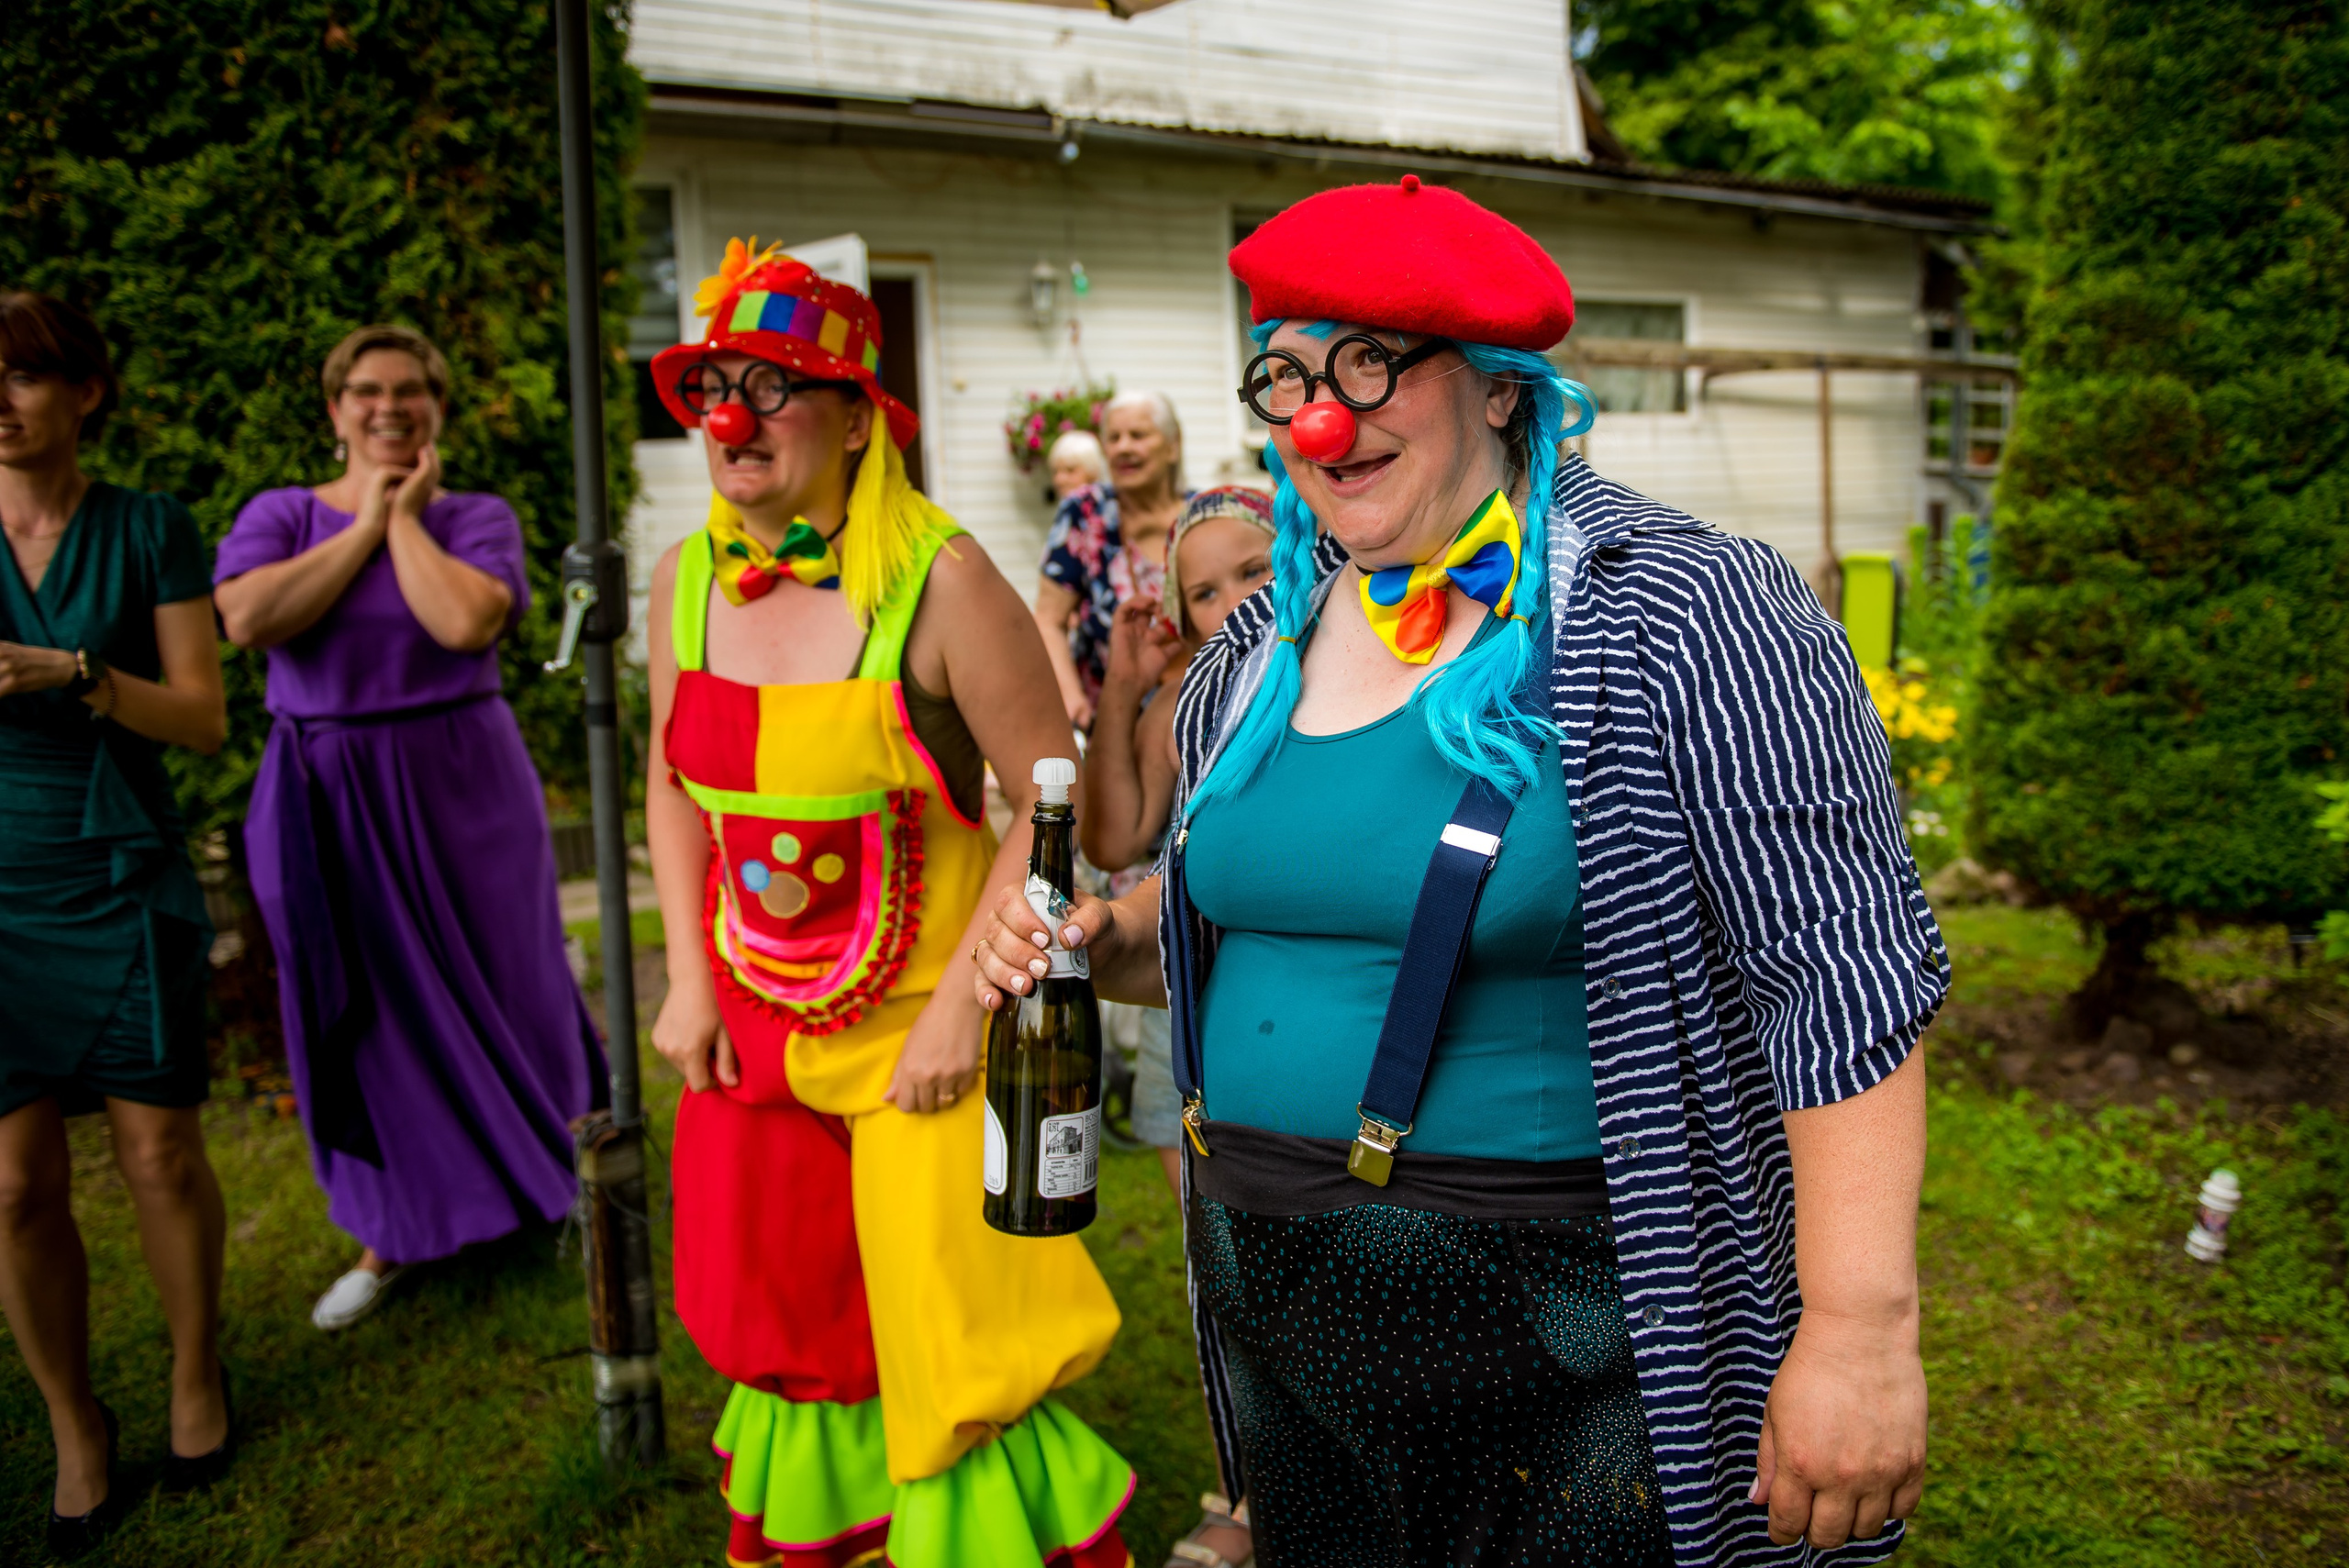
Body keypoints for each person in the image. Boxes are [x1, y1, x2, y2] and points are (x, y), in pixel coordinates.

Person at [976, 177, 1944, 1564]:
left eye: (1369, 365)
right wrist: (1090, 941)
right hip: (1279, 1307)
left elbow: (1839, 971)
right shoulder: (1256, 646)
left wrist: (1860, 1329)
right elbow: (1228, 933)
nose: (1321, 420)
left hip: (1560, 1321)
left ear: (1499, 390)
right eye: (1290, 376)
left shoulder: (1686, 608)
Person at [642, 239, 1133, 1568]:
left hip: (928, 1014)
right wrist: (688, 976)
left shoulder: (946, 580)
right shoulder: (683, 578)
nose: (731, 418)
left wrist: (962, 1015)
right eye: (714, 389)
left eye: (774, 385)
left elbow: (1051, 803)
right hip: (754, 1018)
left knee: (948, 1335)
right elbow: (674, 793)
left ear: (859, 416)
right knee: (788, 1314)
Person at [213, 324, 607, 1332]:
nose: (389, 408)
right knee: (361, 1004)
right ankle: (390, 1229)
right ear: (334, 407)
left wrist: (404, 522)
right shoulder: (281, 513)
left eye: (410, 392)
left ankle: (554, 1183)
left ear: (435, 408)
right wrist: (363, 521)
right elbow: (250, 619)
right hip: (323, 790)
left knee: (513, 979)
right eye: (367, 391)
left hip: (461, 781)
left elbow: (466, 623)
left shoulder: (476, 516)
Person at [0, 290, 232, 1556]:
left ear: (83, 392)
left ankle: (197, 1378)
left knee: (158, 1155)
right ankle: (74, 1424)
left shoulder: (150, 529)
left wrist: (79, 674)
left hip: (116, 870)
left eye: (22, 376)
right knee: (14, 1186)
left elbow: (202, 718)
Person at [1081, 484, 1274, 1568]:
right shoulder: (1180, 705)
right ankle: (1247, 1486)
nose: (1233, 600)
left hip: (1282, 1001)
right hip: (1176, 990)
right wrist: (1124, 683)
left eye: (1253, 570)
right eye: (1205, 590)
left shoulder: (1336, 679)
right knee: (1220, 1258)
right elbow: (1117, 828)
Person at [1033, 390, 1187, 728]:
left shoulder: (1202, 516)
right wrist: (1073, 703)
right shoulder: (1086, 513)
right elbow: (1049, 620)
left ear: (1172, 445)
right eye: (1113, 438)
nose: (1123, 447)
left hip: (1198, 716)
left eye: (1138, 435)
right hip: (1108, 722)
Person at [1047, 428, 1108, 502]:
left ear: (1092, 473)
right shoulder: (1068, 509)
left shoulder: (1106, 509)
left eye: (1070, 470)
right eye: (1055, 471)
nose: (1059, 480)